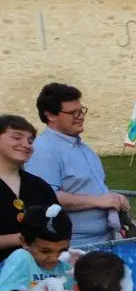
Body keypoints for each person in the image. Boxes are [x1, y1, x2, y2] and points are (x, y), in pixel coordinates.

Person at [29, 84, 128, 245]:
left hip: (101, 241)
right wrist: (98, 201)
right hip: (72, 246)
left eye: (81, 110)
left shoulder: (82, 147)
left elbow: (88, 188)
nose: (81, 116)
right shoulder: (44, 149)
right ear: (50, 115)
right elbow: (46, 197)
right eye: (73, 113)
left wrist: (114, 198)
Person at [0, 116, 61, 254]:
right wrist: (23, 238)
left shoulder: (39, 186)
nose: (27, 145)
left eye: (30, 141)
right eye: (17, 137)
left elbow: (58, 226)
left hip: (38, 266)